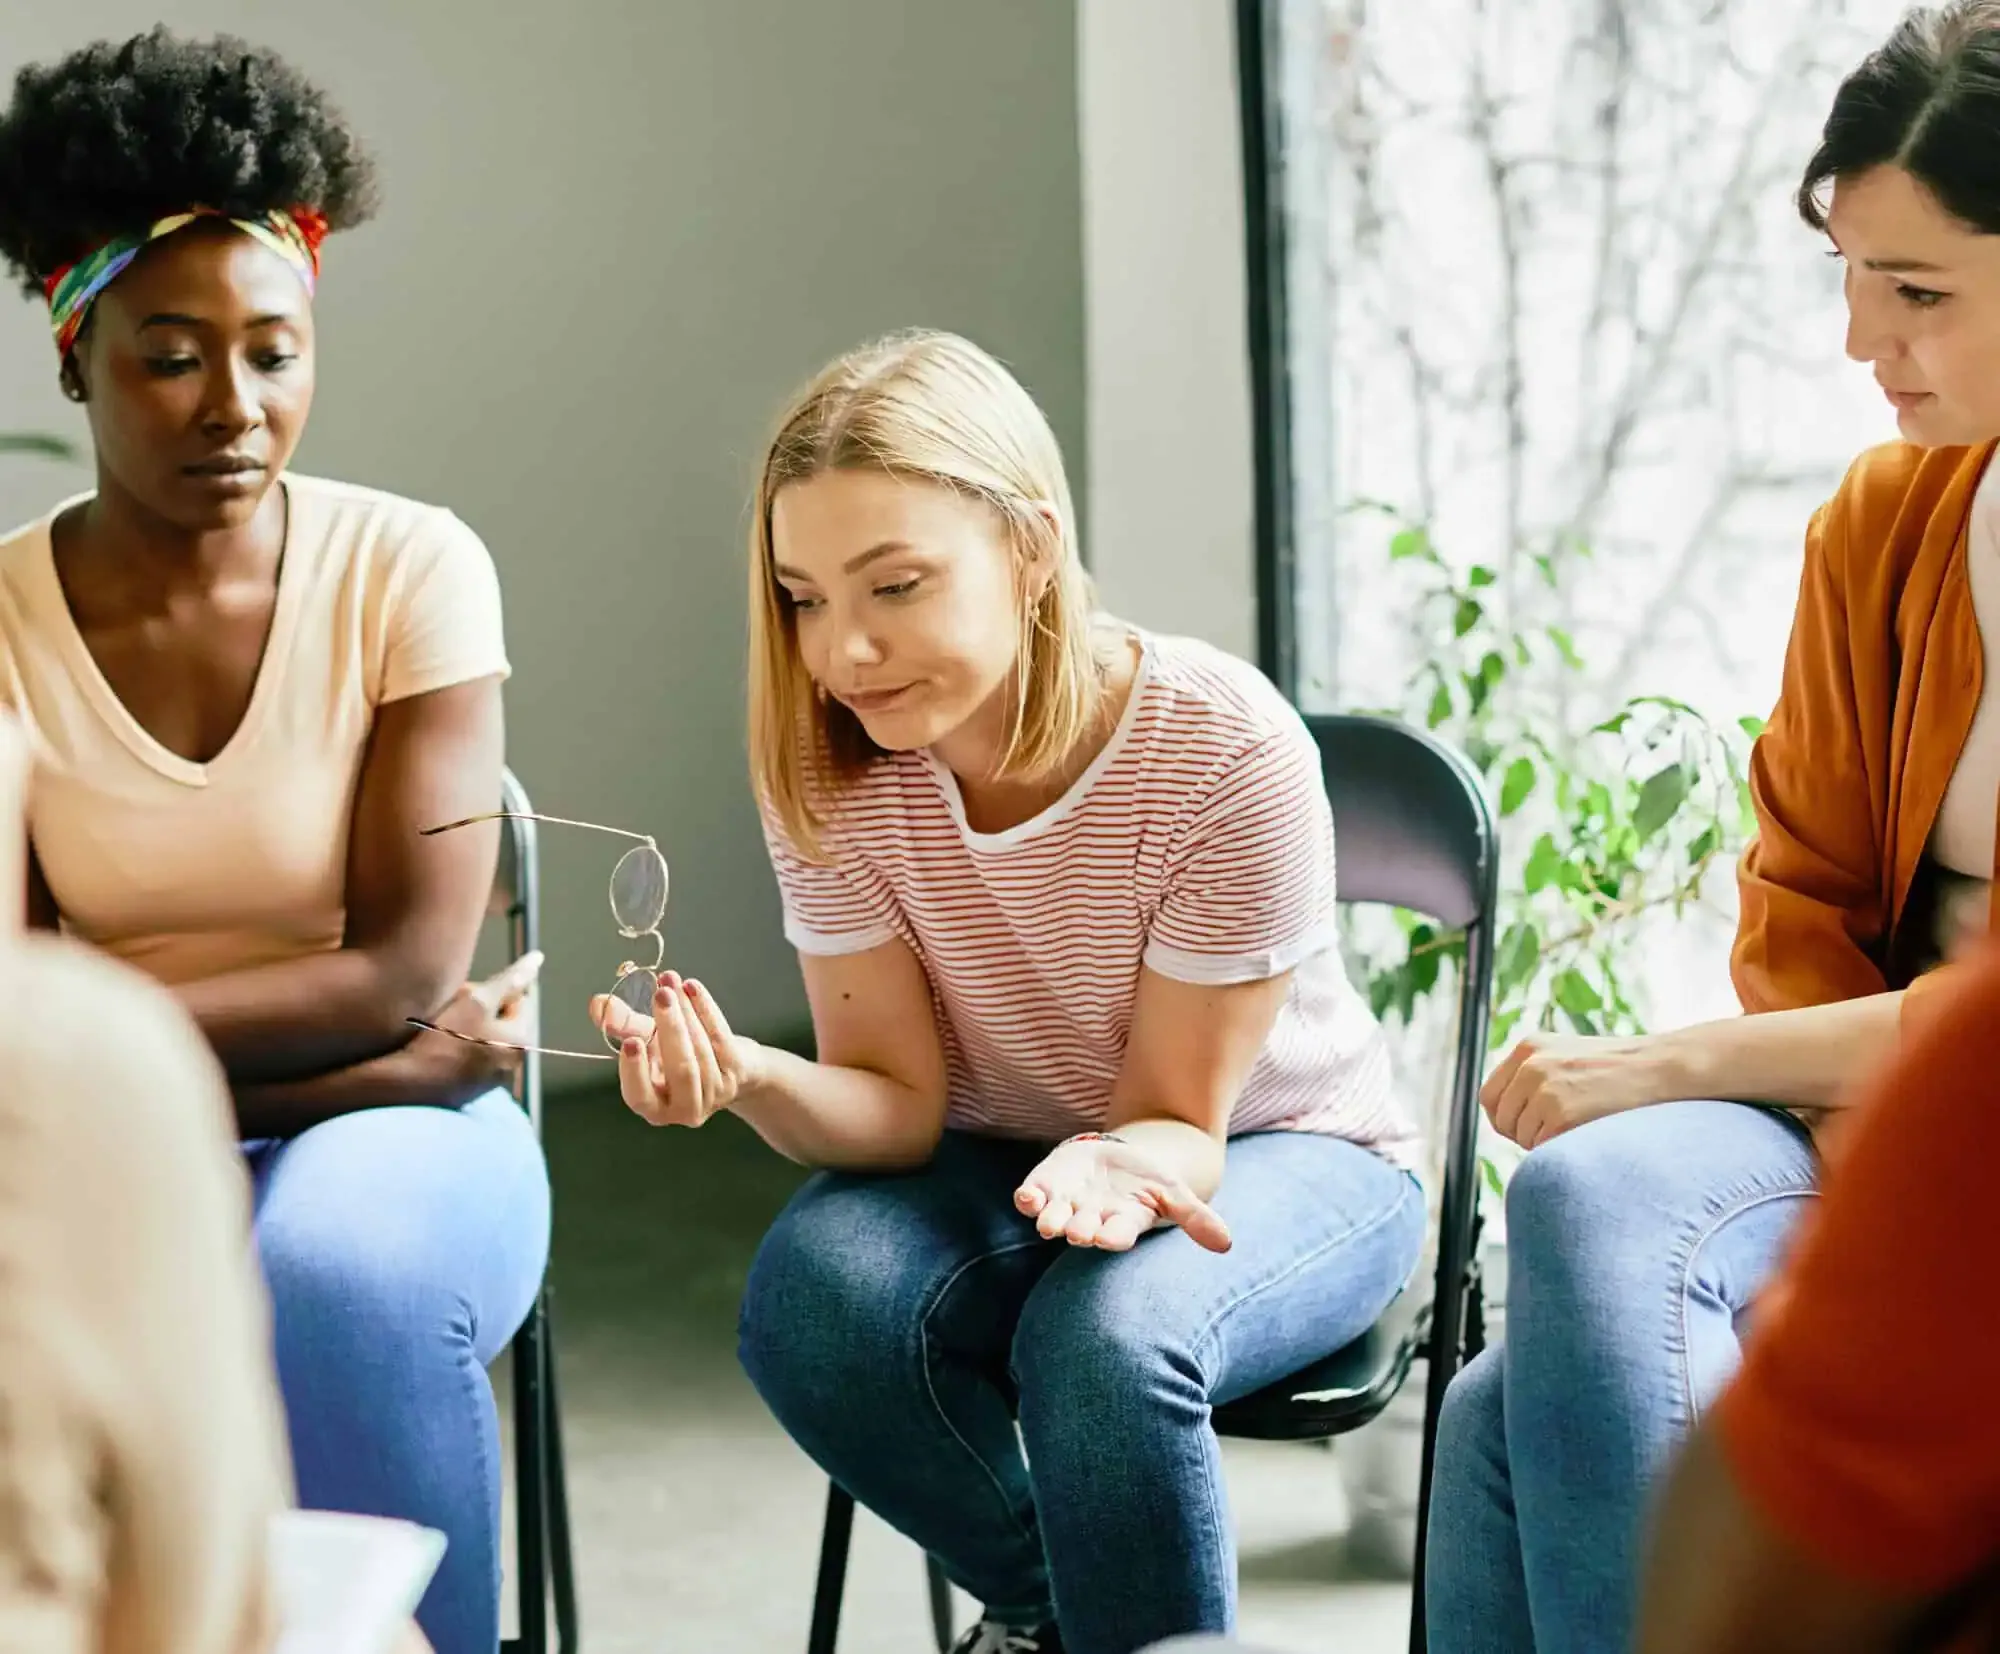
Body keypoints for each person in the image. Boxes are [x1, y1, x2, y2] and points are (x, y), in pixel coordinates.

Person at [595, 329, 1427, 1654]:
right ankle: (1055, 1603)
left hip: (1282, 1154)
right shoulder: (831, 765)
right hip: (1011, 1153)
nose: (846, 650)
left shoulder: (1219, 747)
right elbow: (896, 1108)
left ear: (1032, 548)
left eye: (898, 584)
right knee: (815, 1299)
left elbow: (1175, 1123)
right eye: (804, 597)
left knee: (1105, 1336)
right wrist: (746, 1075)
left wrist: (1116, 1159)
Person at [1423, 4, 2000, 1650]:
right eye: (1848, 279)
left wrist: (1672, 1063)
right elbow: (1799, 896)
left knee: (1493, 1415)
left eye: (1917, 292)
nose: (1858, 340)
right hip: (1854, 1114)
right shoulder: (1885, 522)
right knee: (1584, 1203)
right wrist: (1827, 1146)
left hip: (1952, 1140)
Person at [0, 30, 549, 1654]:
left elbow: (403, 965)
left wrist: (116, 1046)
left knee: (343, 1278)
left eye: (275, 349)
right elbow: (24, 1034)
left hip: (378, 1145)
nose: (234, 406)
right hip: (200, 1114)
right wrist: (382, 1062)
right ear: (73, 353)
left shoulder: (414, 569)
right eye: (172, 354)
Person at [1635, 937, 2000, 1654]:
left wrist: (1666, 1062)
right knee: (1486, 1409)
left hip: (1900, 1101)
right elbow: (1793, 964)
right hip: (1836, 1101)